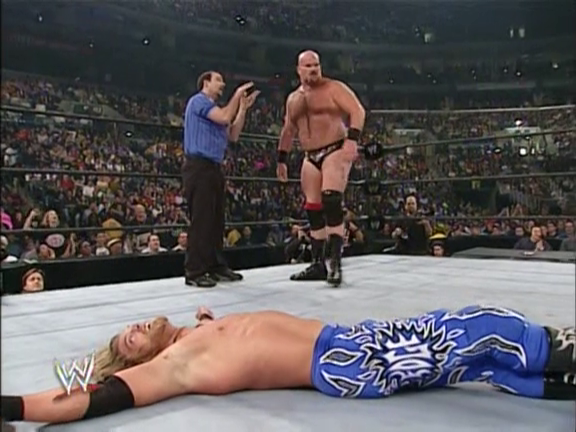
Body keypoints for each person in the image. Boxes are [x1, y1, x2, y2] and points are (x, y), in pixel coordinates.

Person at [2, 305, 575, 425]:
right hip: (346, 358)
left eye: (127, 328)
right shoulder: (172, 364)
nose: (132, 330)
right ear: (141, 360)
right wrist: (12, 407)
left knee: (479, 365)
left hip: (353, 342)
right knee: (482, 327)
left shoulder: (198, 331)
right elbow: (90, 396)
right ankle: (561, 348)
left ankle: (559, 383)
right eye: (127, 342)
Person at [276, 50, 366, 287]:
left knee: (331, 199)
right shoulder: (293, 99)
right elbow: (288, 129)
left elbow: (357, 111)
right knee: (313, 208)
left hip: (334, 149)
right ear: (299, 70)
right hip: (310, 156)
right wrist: (281, 159)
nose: (314, 69)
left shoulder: (334, 88)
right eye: (308, 65)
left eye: (316, 64)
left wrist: (352, 140)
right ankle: (318, 264)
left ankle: (335, 262)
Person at [181, 71, 260, 287]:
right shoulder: (199, 101)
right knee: (202, 219)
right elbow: (225, 117)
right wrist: (238, 94)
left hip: (214, 167)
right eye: (218, 80)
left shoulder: (214, 111)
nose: (222, 84)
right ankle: (195, 271)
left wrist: (242, 108)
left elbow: (233, 134)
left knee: (216, 220)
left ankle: (215, 265)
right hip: (199, 165)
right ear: (206, 83)